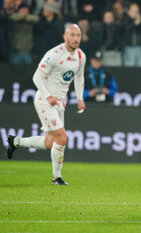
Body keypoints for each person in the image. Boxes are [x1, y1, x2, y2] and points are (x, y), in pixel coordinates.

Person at [6, 24, 86, 185]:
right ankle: (57, 177)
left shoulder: (80, 56)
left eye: (78, 35)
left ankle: (15, 142)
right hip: (44, 100)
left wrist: (79, 98)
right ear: (65, 36)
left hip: (60, 102)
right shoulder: (54, 54)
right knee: (62, 138)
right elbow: (37, 77)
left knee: (50, 143)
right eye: (72, 35)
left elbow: (79, 77)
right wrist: (48, 96)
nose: (76, 39)